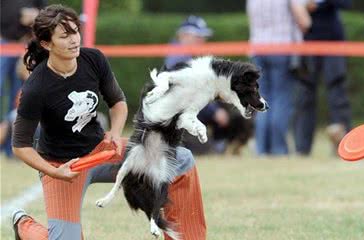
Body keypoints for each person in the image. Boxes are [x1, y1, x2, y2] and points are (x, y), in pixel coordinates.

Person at [11, 5, 206, 239]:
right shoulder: (36, 87)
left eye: (75, 31)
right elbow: (20, 145)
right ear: (46, 44)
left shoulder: (93, 59)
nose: (74, 40)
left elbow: (118, 102)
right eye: (64, 36)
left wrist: (114, 132)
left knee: (181, 160)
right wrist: (54, 172)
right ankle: (24, 226)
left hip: (101, 150)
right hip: (63, 166)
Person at [247, 0, 311, 155]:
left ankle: (262, 148)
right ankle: (278, 149)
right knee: (281, 99)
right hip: (282, 48)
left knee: (262, 98)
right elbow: (305, 22)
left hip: (258, 49)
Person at [163, 15, 232, 155]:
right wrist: (215, 111)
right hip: (178, 122)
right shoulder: (179, 58)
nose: (202, 41)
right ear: (184, 35)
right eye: (198, 37)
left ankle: (220, 143)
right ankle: (217, 144)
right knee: (208, 153)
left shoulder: (183, 55)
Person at [294, 0, 352, 155]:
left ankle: (346, 147)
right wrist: (303, 6)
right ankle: (302, 148)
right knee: (305, 96)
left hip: (333, 42)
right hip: (307, 42)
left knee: (338, 95)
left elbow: (347, 4)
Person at [0, 0, 45, 157]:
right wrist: (19, 15)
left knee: (18, 97)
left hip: (23, 43)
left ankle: (10, 150)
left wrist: (35, 16)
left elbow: (45, 11)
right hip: (2, 42)